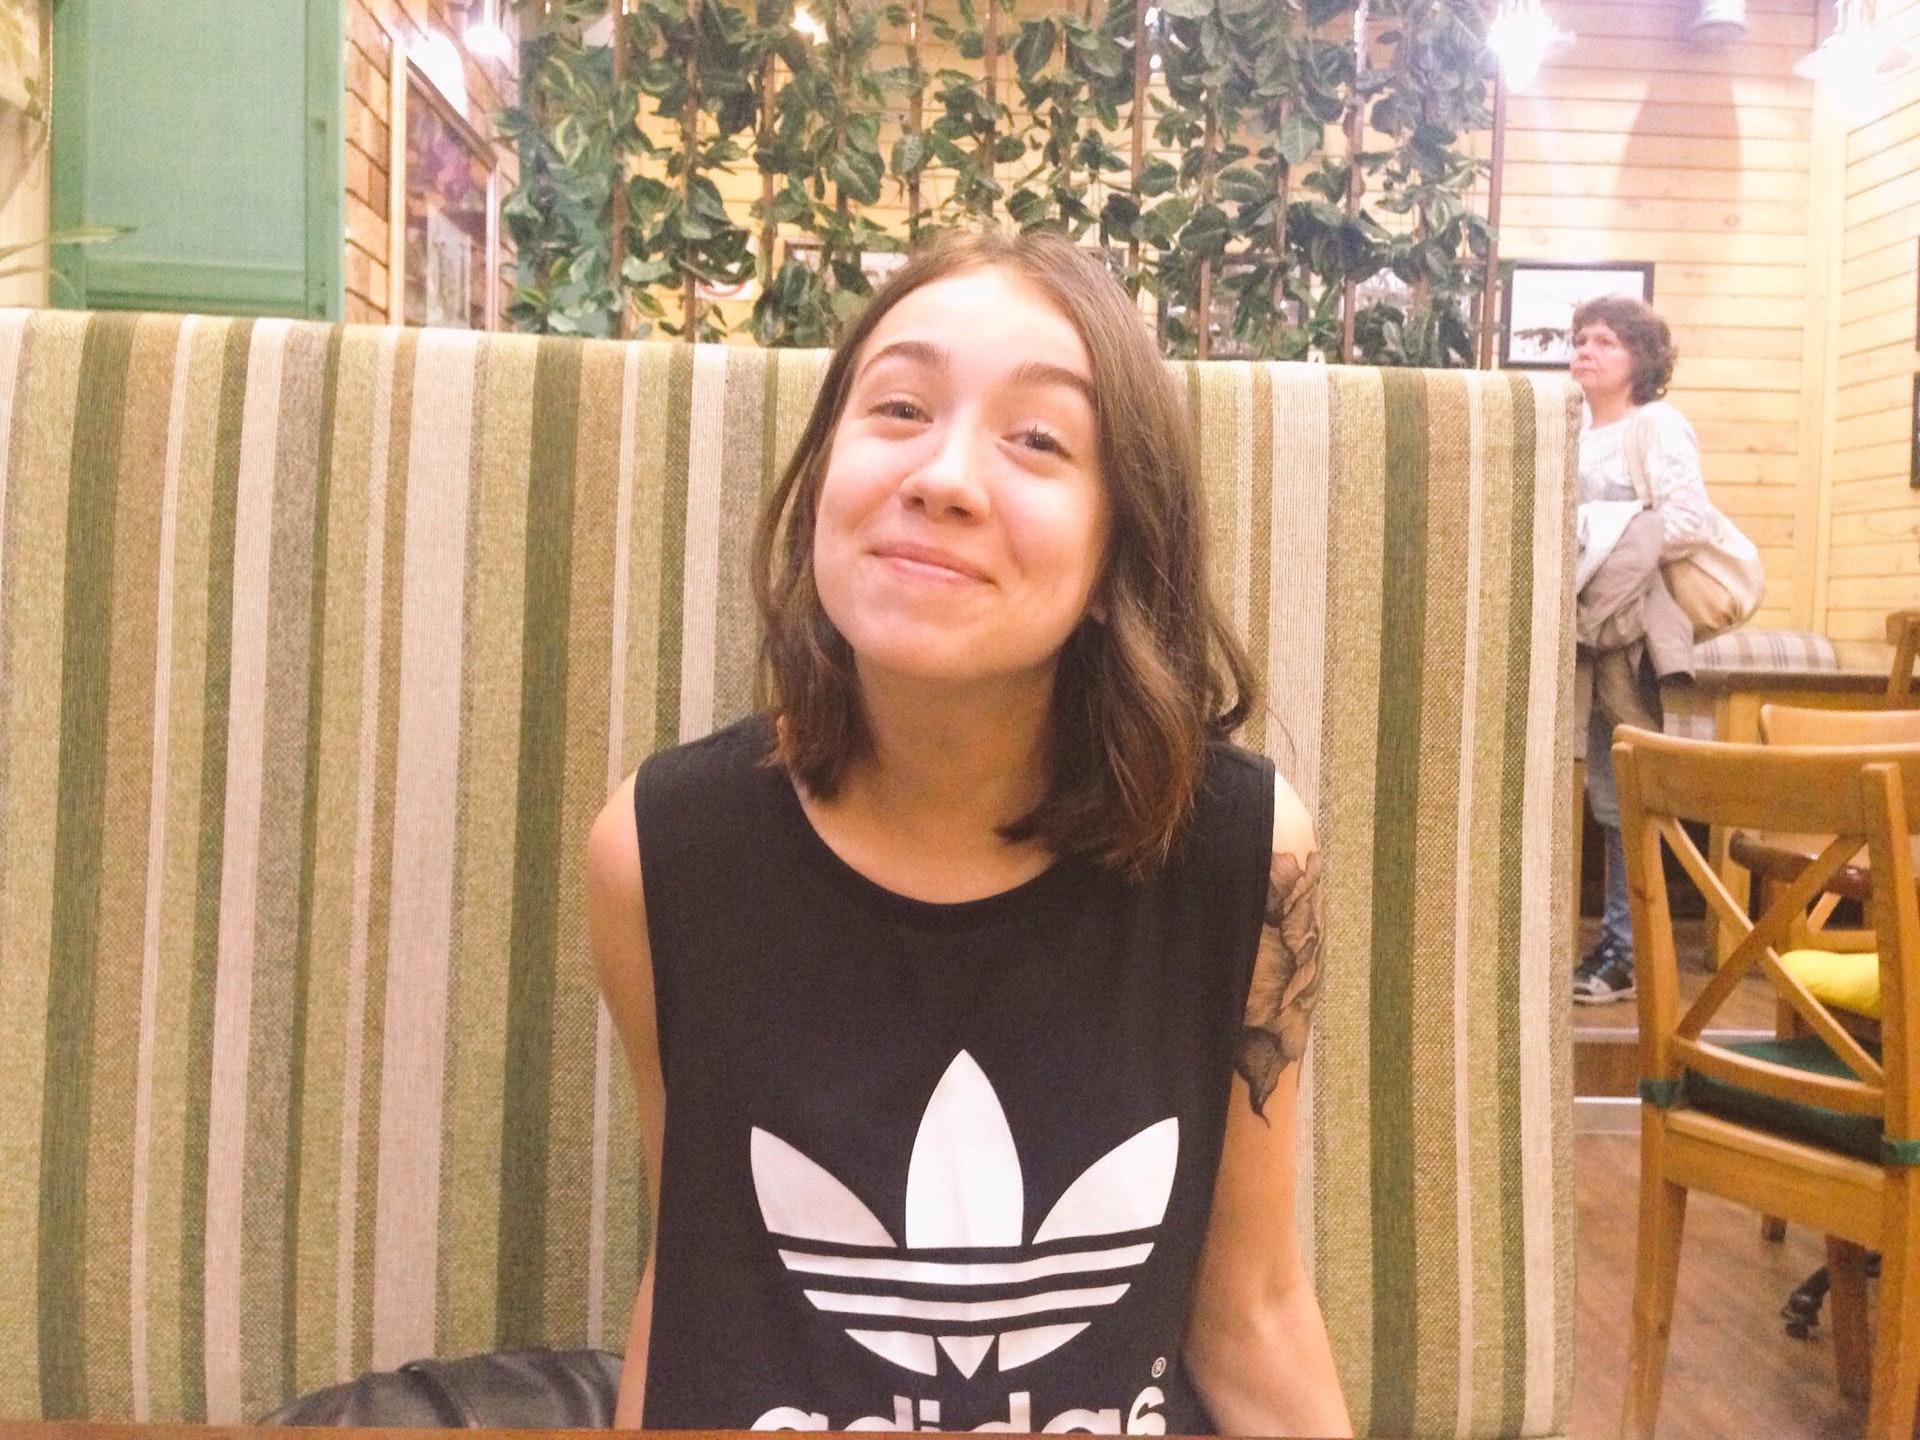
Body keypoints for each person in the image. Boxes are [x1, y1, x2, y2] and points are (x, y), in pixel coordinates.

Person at [584, 227, 1350, 1436]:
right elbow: (694, 1276)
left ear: (1118, 550)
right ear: (821, 476)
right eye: (898, 408)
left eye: (1038, 439)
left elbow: (1250, 1306)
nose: (943, 477)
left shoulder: (1244, 858)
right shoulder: (658, 848)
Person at [1568, 296, 1708, 1006]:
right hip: (1570, 629)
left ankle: (1627, 950)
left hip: (1625, 633)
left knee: (1624, 786)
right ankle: (1604, 942)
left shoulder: (1656, 425)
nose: (1586, 350)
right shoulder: (1564, 428)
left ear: (1641, 359)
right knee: (1594, 789)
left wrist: (1600, 527)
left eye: (1606, 341)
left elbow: (1686, 521)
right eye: (1580, 338)